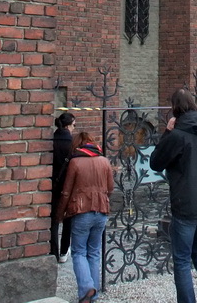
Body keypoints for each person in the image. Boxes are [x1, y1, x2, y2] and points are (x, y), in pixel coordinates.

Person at [150, 88, 197, 303]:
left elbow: (155, 162)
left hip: (186, 205)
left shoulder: (177, 136)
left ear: (174, 109)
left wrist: (167, 132)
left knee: (183, 259)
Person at [56, 131, 115, 303]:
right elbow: (110, 188)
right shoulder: (104, 161)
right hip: (101, 212)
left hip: (81, 212)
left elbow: (66, 192)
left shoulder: (75, 162)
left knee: (79, 252)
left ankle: (87, 288)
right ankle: (93, 294)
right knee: (94, 252)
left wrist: (60, 214)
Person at [51, 112, 75, 261]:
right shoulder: (72, 144)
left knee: (53, 218)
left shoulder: (51, 140)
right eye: (73, 125)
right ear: (67, 126)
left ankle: (53, 251)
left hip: (52, 183)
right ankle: (64, 251)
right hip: (67, 184)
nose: (74, 128)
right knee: (68, 218)